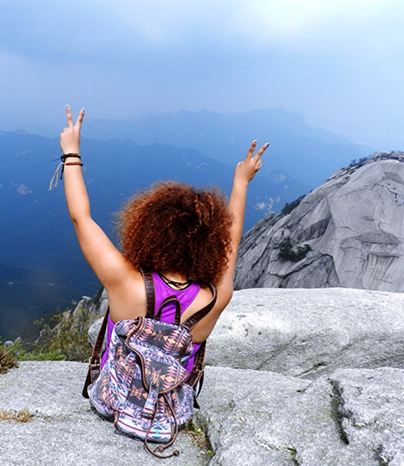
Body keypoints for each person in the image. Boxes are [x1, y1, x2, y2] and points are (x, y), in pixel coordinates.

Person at [59, 105, 268, 373]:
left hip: (115, 400)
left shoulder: (124, 281)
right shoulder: (214, 298)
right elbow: (233, 241)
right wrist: (241, 182)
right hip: (171, 410)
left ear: (147, 230)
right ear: (211, 243)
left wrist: (71, 153)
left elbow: (81, 218)